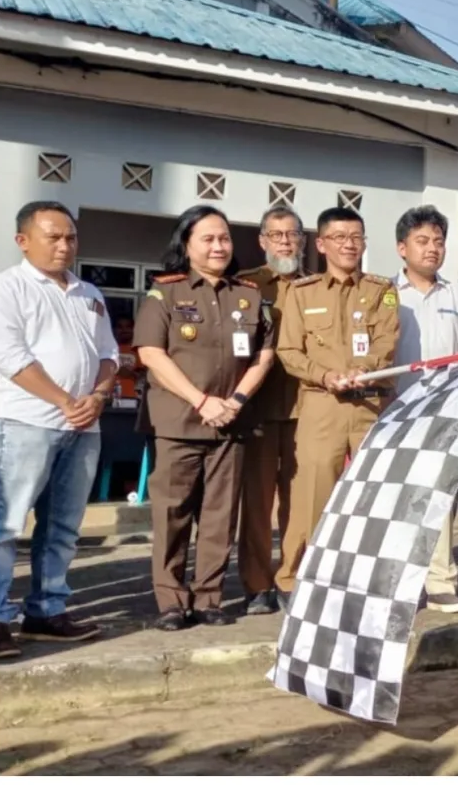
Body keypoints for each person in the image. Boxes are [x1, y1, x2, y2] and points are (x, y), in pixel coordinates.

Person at [134, 206, 275, 630]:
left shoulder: (248, 295)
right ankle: (172, 601)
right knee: (173, 515)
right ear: (187, 245)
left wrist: (235, 399)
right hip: (178, 423)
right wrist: (201, 401)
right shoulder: (166, 293)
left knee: (219, 517)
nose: (219, 246)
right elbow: (150, 353)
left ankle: (210, 598)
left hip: (230, 423)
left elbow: (264, 353)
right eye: (208, 239)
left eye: (225, 239)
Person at [0, 202, 116, 659]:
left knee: (63, 527)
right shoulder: (6, 289)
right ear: (23, 240)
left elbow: (108, 355)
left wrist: (99, 397)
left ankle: (47, 610)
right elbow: (10, 358)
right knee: (4, 525)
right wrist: (66, 401)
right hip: (26, 422)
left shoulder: (89, 293)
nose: (65, 245)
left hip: (84, 427)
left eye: (71, 237)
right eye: (53, 237)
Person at [274, 207, 399, 603]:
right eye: (341, 237)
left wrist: (363, 369)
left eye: (357, 237)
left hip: (368, 404)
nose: (350, 244)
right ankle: (298, 579)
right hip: (320, 404)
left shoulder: (382, 291)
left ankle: (365, 580)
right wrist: (325, 375)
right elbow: (289, 350)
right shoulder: (301, 292)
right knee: (313, 494)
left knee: (371, 496)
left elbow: (386, 342)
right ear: (322, 243)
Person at [390, 205, 458, 614]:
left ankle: (441, 582)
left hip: (445, 416)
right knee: (398, 503)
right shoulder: (385, 295)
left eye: (439, 241)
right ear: (402, 248)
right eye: (423, 241)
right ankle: (400, 585)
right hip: (397, 415)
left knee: (440, 501)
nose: (433, 249)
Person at [233, 206, 307, 616]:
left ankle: (291, 578)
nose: (284, 241)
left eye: (291, 234)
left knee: (300, 504)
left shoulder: (316, 286)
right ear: (262, 241)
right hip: (258, 410)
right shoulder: (245, 286)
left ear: (303, 240)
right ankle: (257, 584)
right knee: (257, 505)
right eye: (275, 234)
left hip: (306, 408)